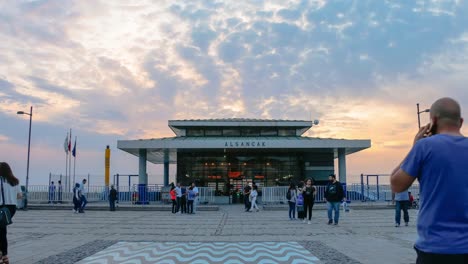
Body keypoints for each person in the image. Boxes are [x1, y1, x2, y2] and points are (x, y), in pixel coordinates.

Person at [390, 97, 468, 263]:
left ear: (433, 121)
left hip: (434, 248)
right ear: (460, 121)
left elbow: (396, 184)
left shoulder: (424, 147)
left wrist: (414, 146)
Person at [0, 162, 22, 264]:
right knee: (2, 230)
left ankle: (3, 255)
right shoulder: (15, 181)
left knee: (2, 231)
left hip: (1, 208)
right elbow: (20, 196)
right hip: (11, 209)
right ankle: (3, 255)